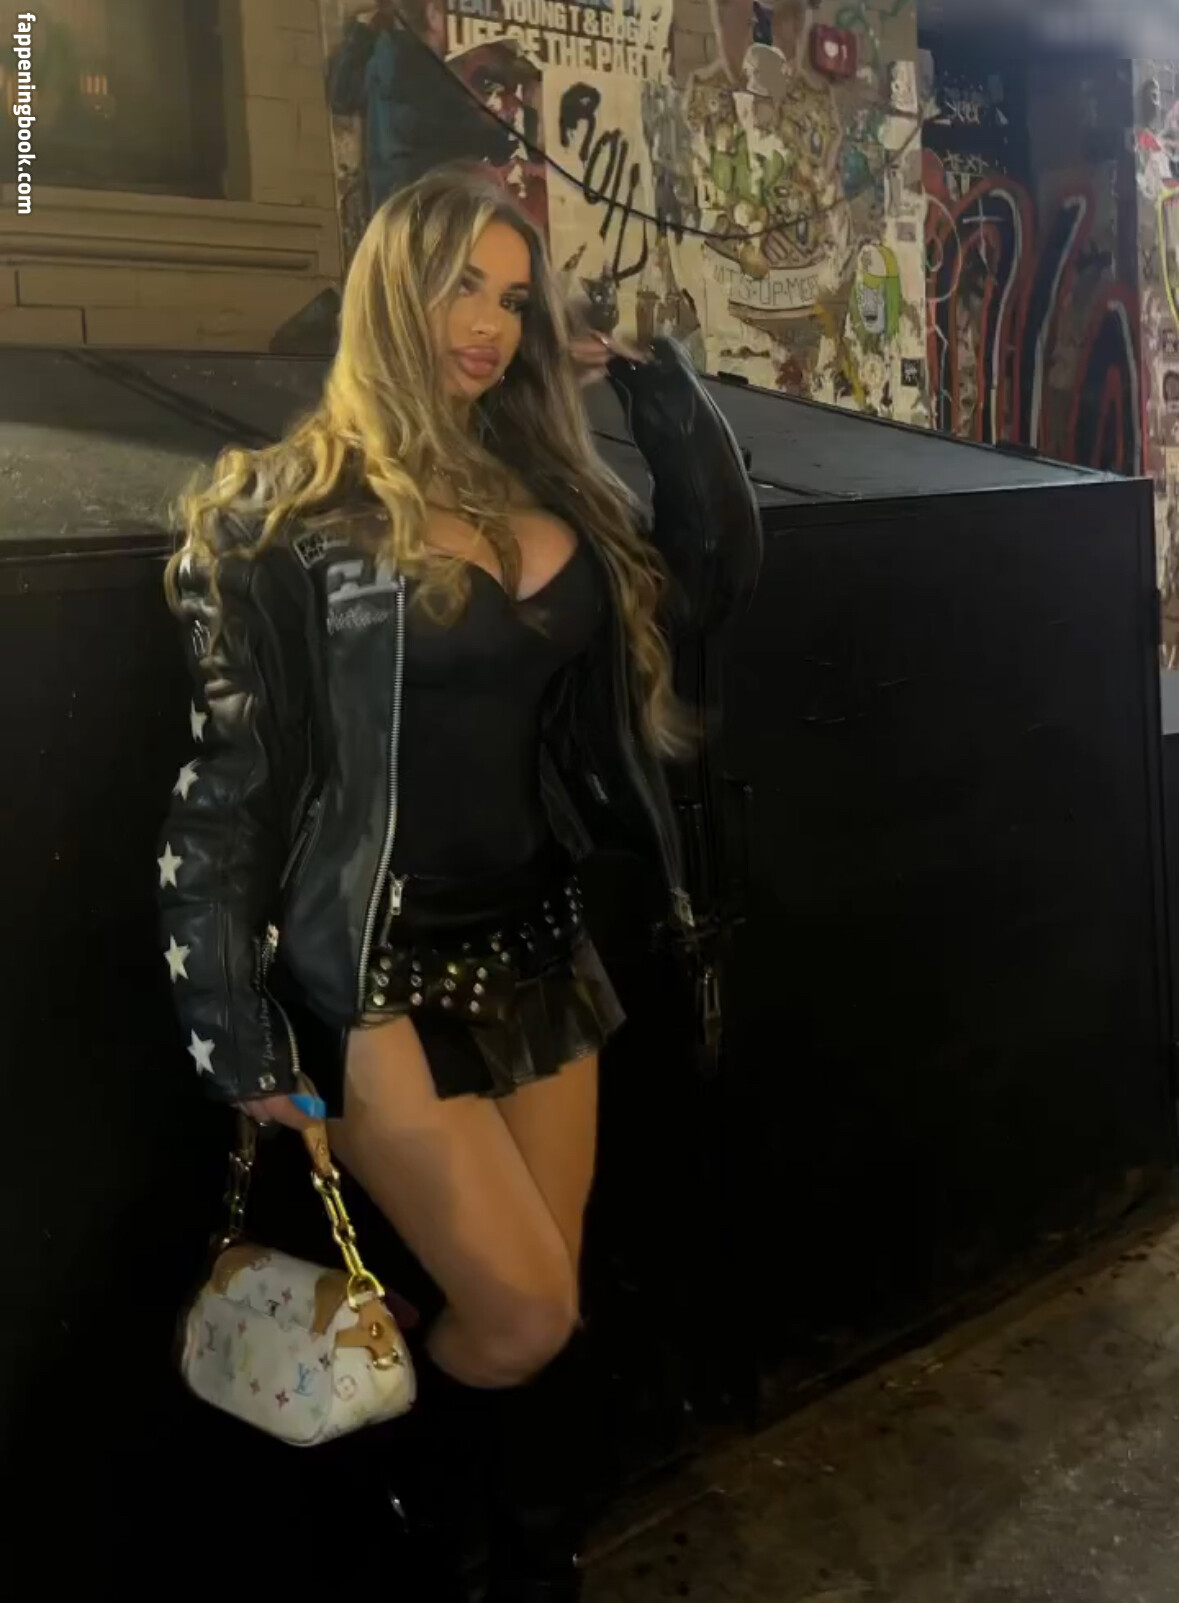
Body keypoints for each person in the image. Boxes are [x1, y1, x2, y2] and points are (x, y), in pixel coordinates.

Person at [157, 165, 760, 1601]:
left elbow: (718, 567)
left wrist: (659, 387)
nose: (488, 325)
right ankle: (418, 1525)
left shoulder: (550, 486)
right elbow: (227, 788)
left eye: (511, 298)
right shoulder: (283, 516)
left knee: (545, 1298)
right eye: (459, 289)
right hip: (377, 973)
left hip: (541, 947)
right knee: (526, 1308)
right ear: (391, 294)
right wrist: (233, 1029)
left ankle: (506, 1549)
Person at [328, 0, 517, 212]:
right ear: (433, 13)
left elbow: (342, 97)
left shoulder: (386, 53)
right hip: (426, 208)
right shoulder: (419, 68)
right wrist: (494, 130)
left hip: (397, 208)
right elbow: (432, 128)